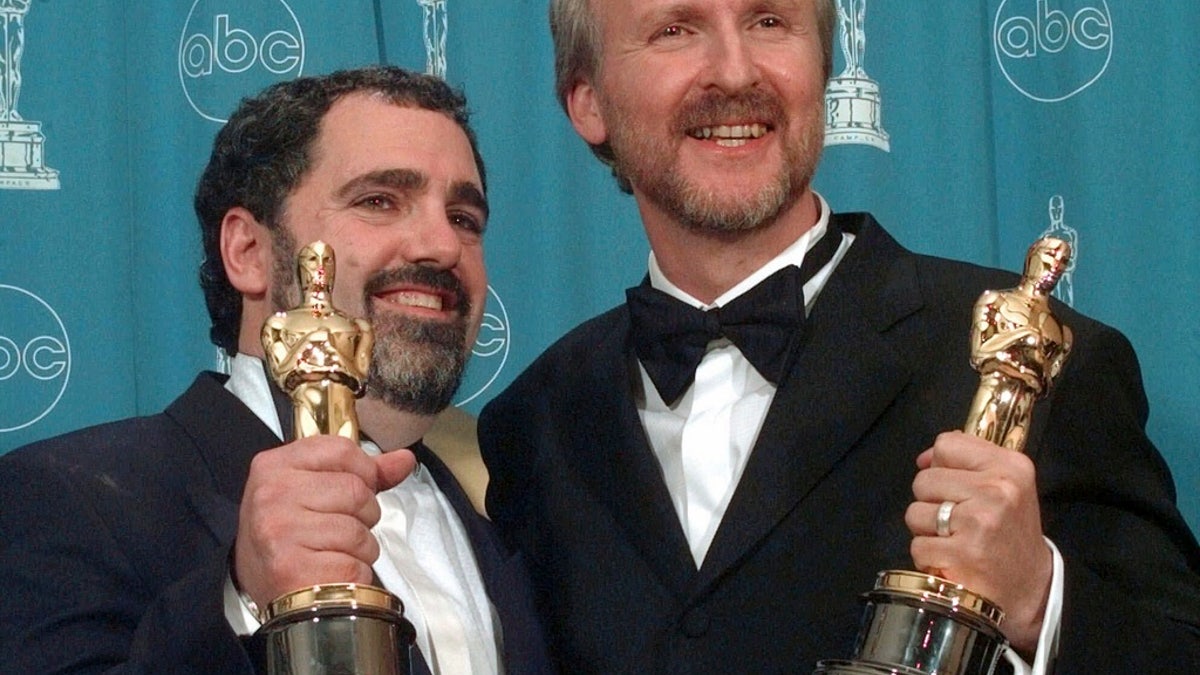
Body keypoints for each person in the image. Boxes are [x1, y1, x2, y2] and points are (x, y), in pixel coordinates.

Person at [477, 1, 1200, 673]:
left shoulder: (1039, 360)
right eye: (675, 29)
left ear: (821, 68)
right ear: (588, 102)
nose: (734, 72)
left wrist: (1041, 598)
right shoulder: (533, 422)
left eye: (769, 21)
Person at [0, 65, 551, 674]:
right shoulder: (65, 500)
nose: (442, 246)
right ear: (249, 252)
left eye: (464, 219)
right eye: (379, 201)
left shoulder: (521, 512)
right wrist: (240, 599)